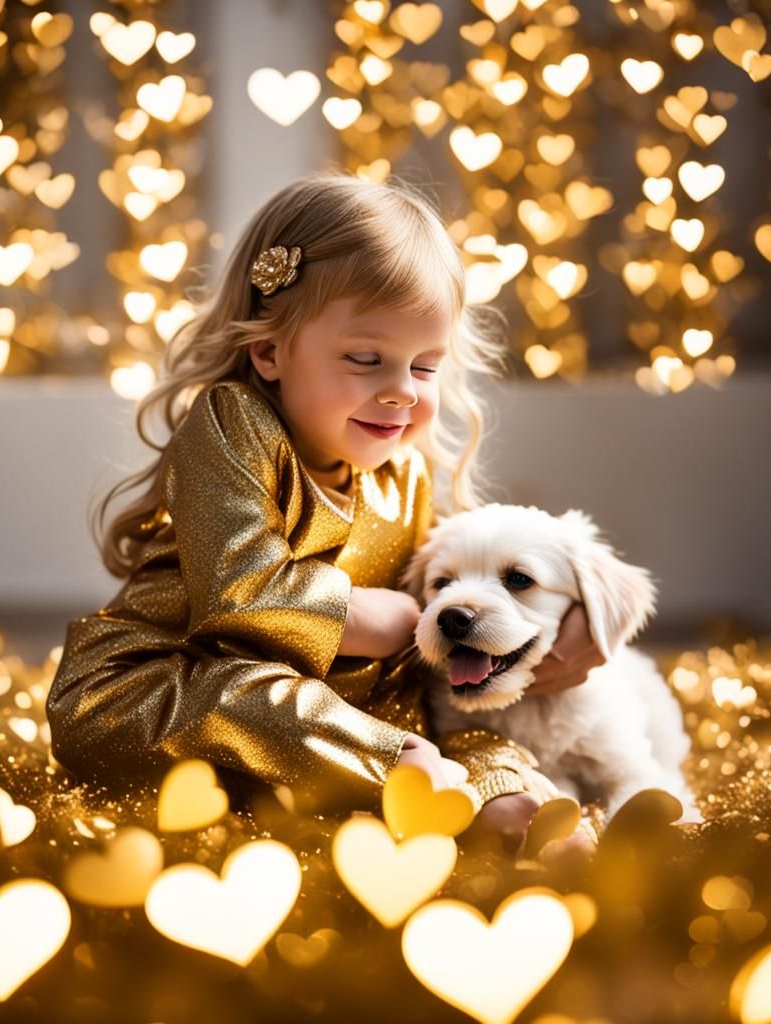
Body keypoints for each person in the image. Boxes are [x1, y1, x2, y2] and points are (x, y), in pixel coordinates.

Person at [45, 169, 605, 852]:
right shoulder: (232, 424)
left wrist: (555, 624)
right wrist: (391, 618)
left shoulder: (404, 473)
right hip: (160, 691)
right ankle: (405, 773)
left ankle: (508, 802)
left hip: (340, 719)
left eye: (425, 367)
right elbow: (240, 595)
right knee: (252, 696)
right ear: (270, 351)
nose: (402, 392)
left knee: (453, 715)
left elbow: (467, 594)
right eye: (366, 359)